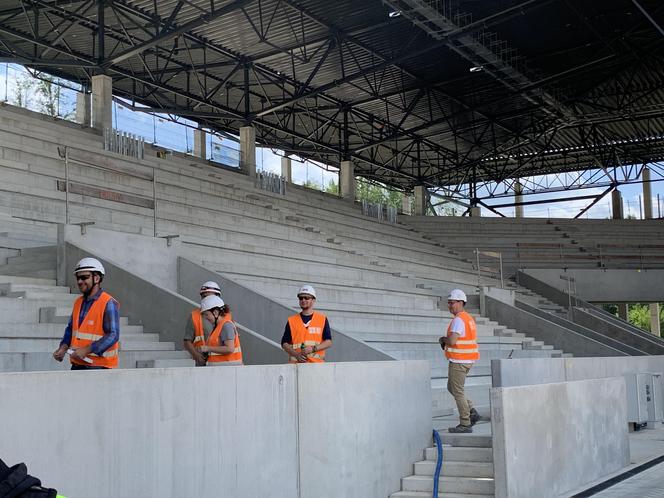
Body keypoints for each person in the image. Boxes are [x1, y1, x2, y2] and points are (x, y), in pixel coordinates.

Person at [52, 257, 120, 370]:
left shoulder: (108, 303)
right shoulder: (78, 302)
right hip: (77, 364)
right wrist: (63, 348)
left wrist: (87, 350)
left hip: (98, 367)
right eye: (78, 278)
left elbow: (113, 335)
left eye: (84, 277)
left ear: (97, 278)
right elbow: (70, 329)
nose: (79, 281)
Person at [438, 289, 480, 433]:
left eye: (452, 303)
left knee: (457, 391)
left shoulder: (458, 320)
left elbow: (452, 340)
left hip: (459, 361)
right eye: (449, 303)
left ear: (461, 303)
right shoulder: (468, 318)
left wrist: (442, 339)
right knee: (452, 388)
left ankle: (465, 423)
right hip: (467, 359)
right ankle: (471, 410)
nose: (450, 306)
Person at [281, 285, 332, 363]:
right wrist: (296, 355)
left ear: (313, 300)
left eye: (306, 298)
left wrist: (313, 348)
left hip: (316, 366)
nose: (303, 300)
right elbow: (284, 343)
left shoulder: (322, 319)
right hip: (296, 365)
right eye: (301, 298)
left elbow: (328, 342)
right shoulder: (292, 320)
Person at [183, 281, 225, 366]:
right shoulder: (194, 316)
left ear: (217, 296)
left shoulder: (226, 316)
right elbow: (187, 341)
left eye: (207, 295)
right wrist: (196, 356)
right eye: (203, 296)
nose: (204, 298)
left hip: (222, 361)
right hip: (203, 361)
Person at [195, 295, 243, 365]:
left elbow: (229, 349)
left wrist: (207, 348)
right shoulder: (218, 326)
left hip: (228, 369)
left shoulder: (226, 326)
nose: (205, 317)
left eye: (207, 314)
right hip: (223, 370)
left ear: (215, 312)